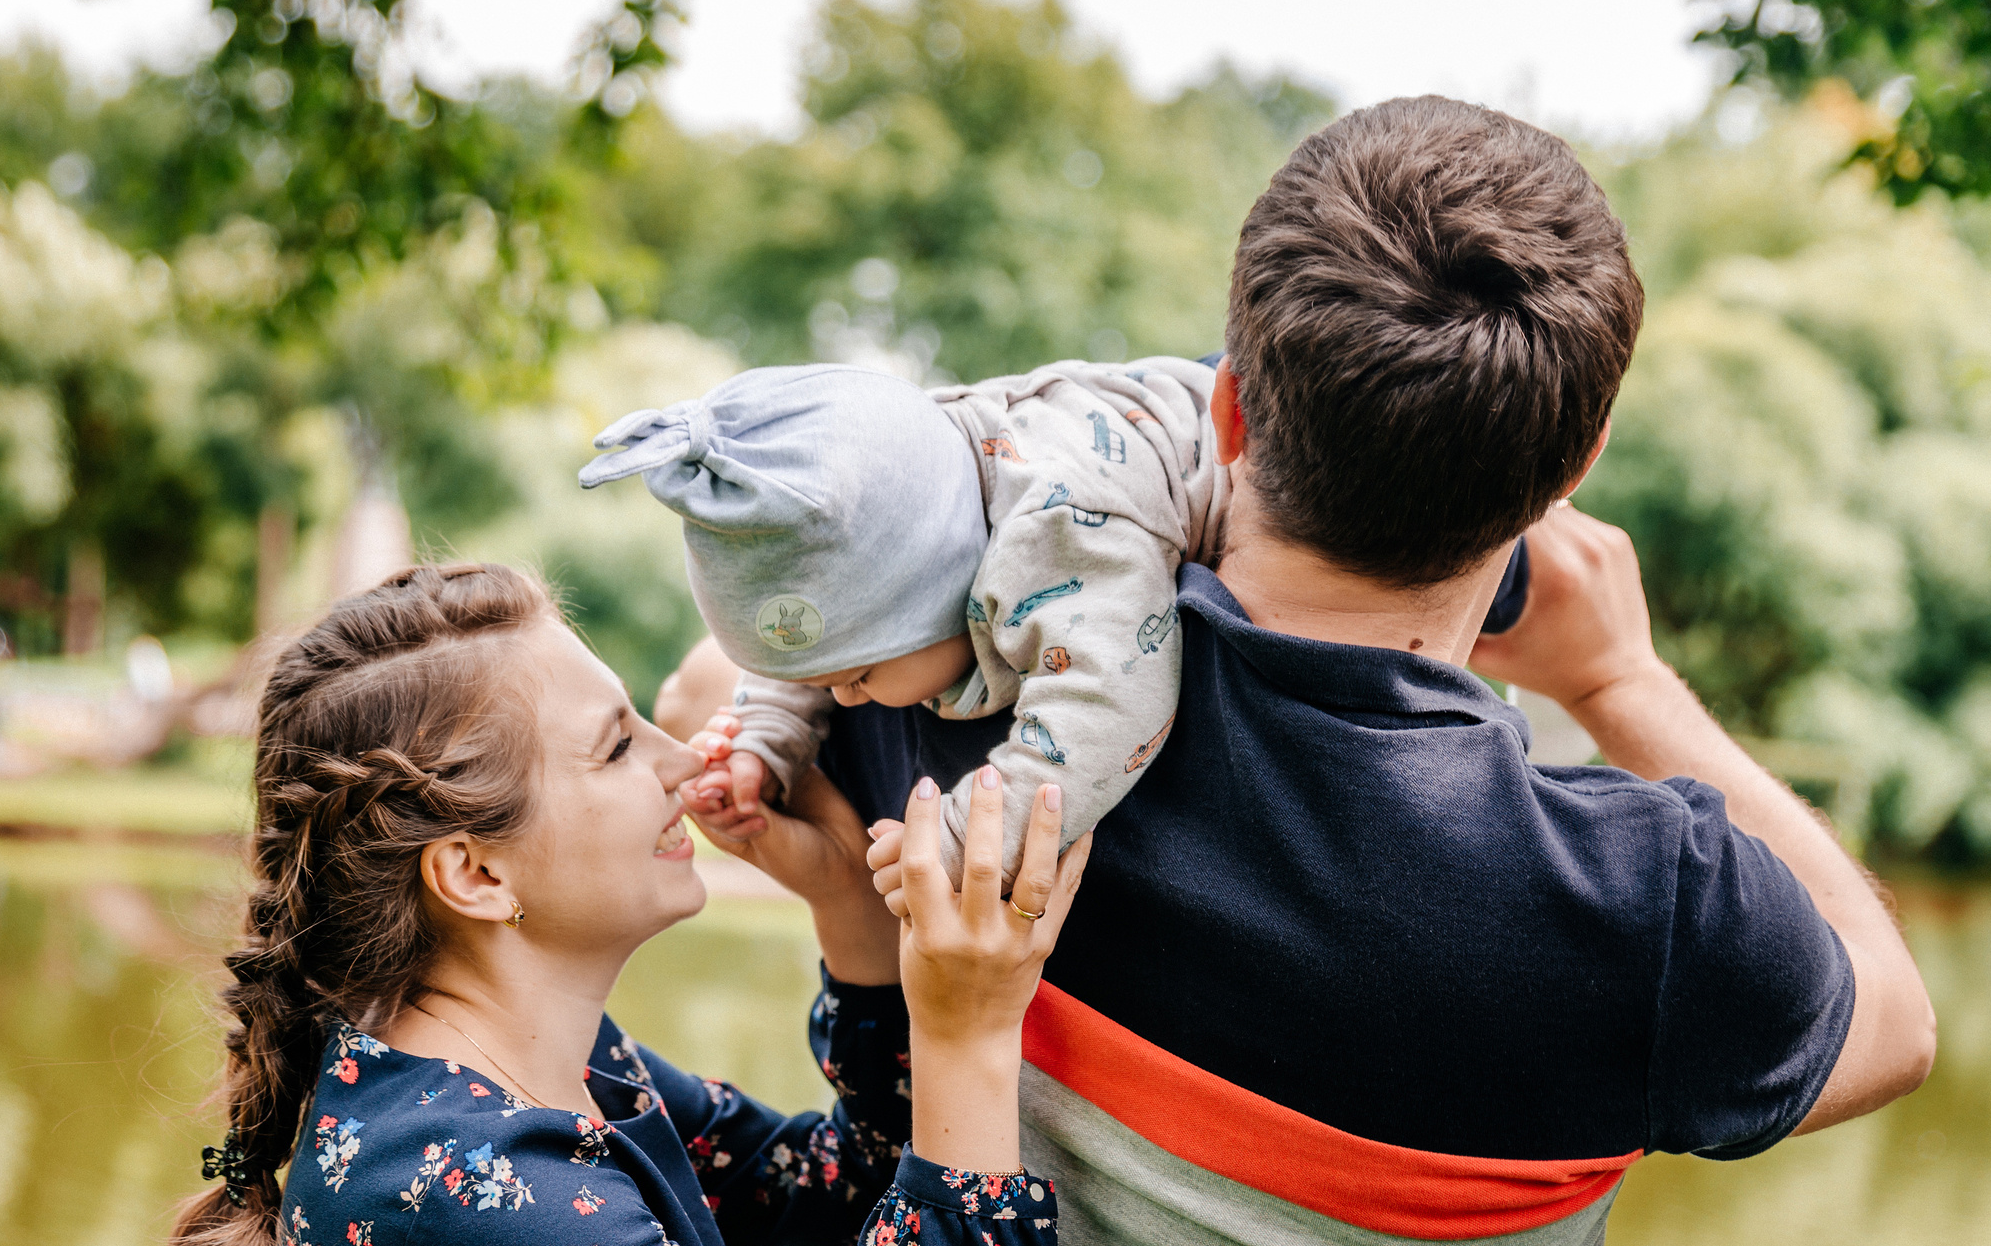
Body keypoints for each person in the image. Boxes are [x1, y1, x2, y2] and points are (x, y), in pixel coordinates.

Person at [658, 96, 1937, 1246]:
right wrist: (1631, 684)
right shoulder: (1656, 905)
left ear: (1229, 404)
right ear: (1572, 469)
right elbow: (1894, 1022)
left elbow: (713, 682)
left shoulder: (954, 723)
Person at [157, 561, 1094, 1246]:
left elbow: (847, 1183)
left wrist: (846, 899)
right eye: (615, 748)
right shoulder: (462, 1188)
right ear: (474, 872)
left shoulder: (545, 1070)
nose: (684, 759)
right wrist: (966, 1034)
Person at [581, 361, 1534, 887]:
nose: (843, 696)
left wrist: (957, 840)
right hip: (1115, 424)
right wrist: (763, 739)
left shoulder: (1060, 546)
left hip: (1269, 464)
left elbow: (1109, 708)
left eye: (859, 674)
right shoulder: (894, 508)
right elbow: (814, 644)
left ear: (948, 585)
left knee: (1487, 565)